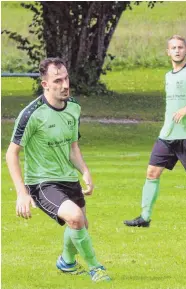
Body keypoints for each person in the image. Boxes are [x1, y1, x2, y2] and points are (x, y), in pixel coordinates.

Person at [6, 58, 111, 283]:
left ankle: (67, 263)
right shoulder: (31, 114)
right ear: (45, 85)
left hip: (68, 178)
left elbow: (73, 147)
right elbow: (11, 154)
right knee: (75, 219)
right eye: (57, 80)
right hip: (42, 183)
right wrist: (22, 192)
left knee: (81, 223)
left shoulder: (73, 107)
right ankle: (96, 268)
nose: (64, 85)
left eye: (66, 78)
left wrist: (84, 170)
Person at [124, 35, 186, 230]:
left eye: (180, 47)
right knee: (152, 172)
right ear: (168, 52)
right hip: (167, 134)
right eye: (173, 48)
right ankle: (144, 217)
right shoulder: (167, 76)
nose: (177, 50)